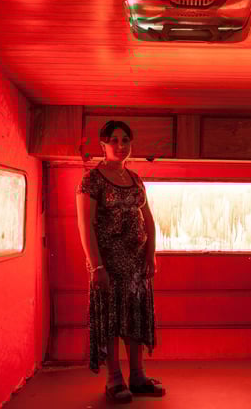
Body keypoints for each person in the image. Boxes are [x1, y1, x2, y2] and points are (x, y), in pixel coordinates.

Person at [75, 120, 166, 403]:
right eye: (113, 140)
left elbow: (148, 219)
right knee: (112, 319)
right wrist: (96, 266)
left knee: (135, 317)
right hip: (109, 264)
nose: (120, 145)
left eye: (125, 139)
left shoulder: (136, 179)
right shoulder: (91, 180)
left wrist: (150, 254)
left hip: (137, 265)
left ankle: (137, 377)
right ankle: (114, 379)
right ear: (103, 144)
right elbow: (85, 225)